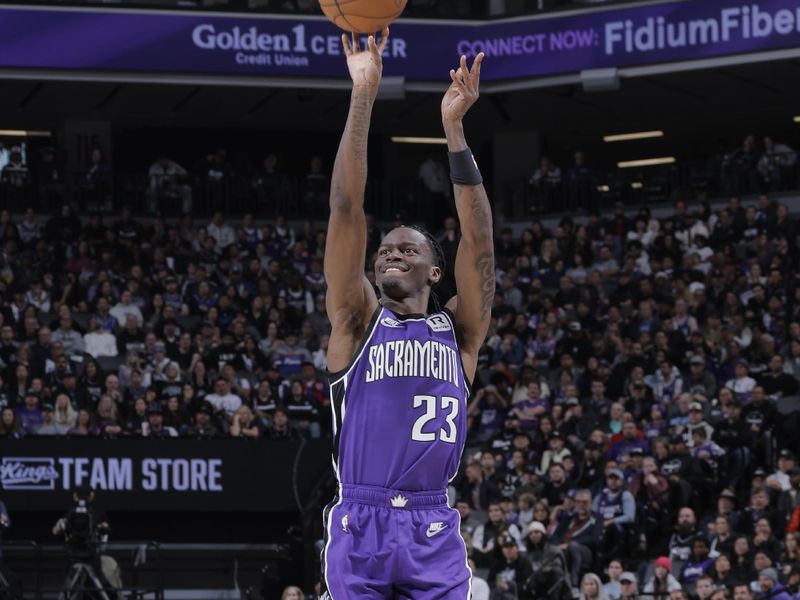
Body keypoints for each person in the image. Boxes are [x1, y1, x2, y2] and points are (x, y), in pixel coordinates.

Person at [320, 30, 493, 599]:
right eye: (385, 249)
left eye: (407, 248)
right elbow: (346, 206)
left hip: (432, 524)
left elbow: (481, 244)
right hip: (361, 520)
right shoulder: (357, 321)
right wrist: (364, 91)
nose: (391, 252)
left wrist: (454, 133)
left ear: (434, 273)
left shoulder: (460, 332)